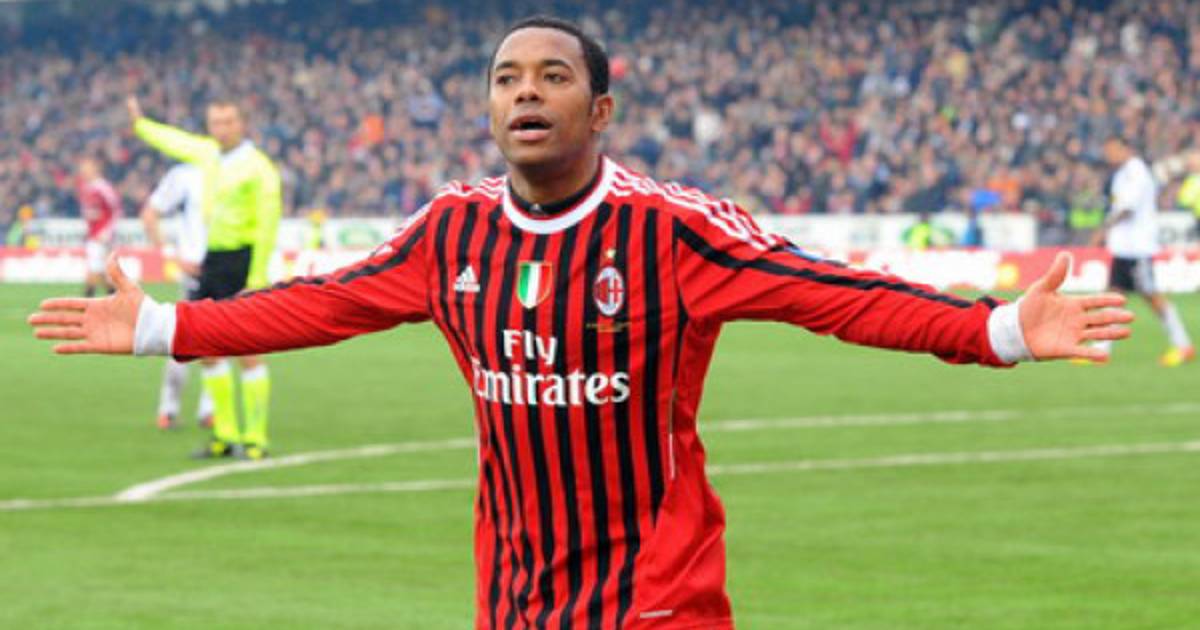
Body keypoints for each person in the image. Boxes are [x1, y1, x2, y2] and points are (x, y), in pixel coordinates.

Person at [31, 16, 1133, 629]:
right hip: (515, 595)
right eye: (506, 78)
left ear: (598, 110)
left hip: (658, 594)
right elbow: (320, 303)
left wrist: (994, 331)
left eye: (552, 76)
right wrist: (161, 327)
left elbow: (830, 293)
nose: (525, 92)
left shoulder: (674, 231)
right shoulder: (451, 233)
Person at [126, 95, 282, 460]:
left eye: (228, 122)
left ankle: (255, 438)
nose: (221, 129)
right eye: (215, 123)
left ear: (242, 124)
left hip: (242, 261)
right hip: (213, 261)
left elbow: (267, 225)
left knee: (248, 351)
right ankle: (224, 435)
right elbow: (175, 141)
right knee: (207, 348)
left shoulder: (259, 168)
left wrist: (257, 276)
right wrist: (141, 125)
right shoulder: (209, 153)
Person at [1091, 135, 1193, 366]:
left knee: (1152, 297)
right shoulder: (1122, 173)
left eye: (1112, 150)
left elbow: (1127, 209)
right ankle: (1100, 349)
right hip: (1124, 248)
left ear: (1125, 148)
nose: (1109, 155)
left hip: (1137, 248)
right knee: (1113, 296)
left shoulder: (1135, 172)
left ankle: (1183, 345)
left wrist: (1103, 230)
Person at [141, 163, 214, 431]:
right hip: (195, 270)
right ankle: (169, 408)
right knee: (187, 337)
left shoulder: (238, 168)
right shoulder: (186, 174)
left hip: (226, 268)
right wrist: (171, 255)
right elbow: (150, 214)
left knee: (221, 338)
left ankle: (209, 410)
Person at [76, 157, 121, 297]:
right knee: (102, 275)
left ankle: (86, 305)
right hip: (93, 235)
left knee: (93, 272)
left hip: (101, 236)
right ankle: (115, 301)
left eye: (86, 168)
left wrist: (107, 232)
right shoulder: (85, 188)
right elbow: (91, 214)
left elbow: (116, 210)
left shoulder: (103, 188)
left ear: (95, 169)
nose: (83, 171)